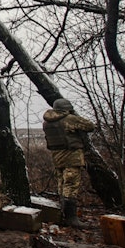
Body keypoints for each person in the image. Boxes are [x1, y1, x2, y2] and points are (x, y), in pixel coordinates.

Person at [42, 97, 96, 228]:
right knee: (71, 186)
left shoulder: (47, 122)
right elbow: (90, 126)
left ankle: (61, 215)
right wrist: (74, 115)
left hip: (57, 157)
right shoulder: (69, 119)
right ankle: (71, 219)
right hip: (72, 156)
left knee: (62, 184)